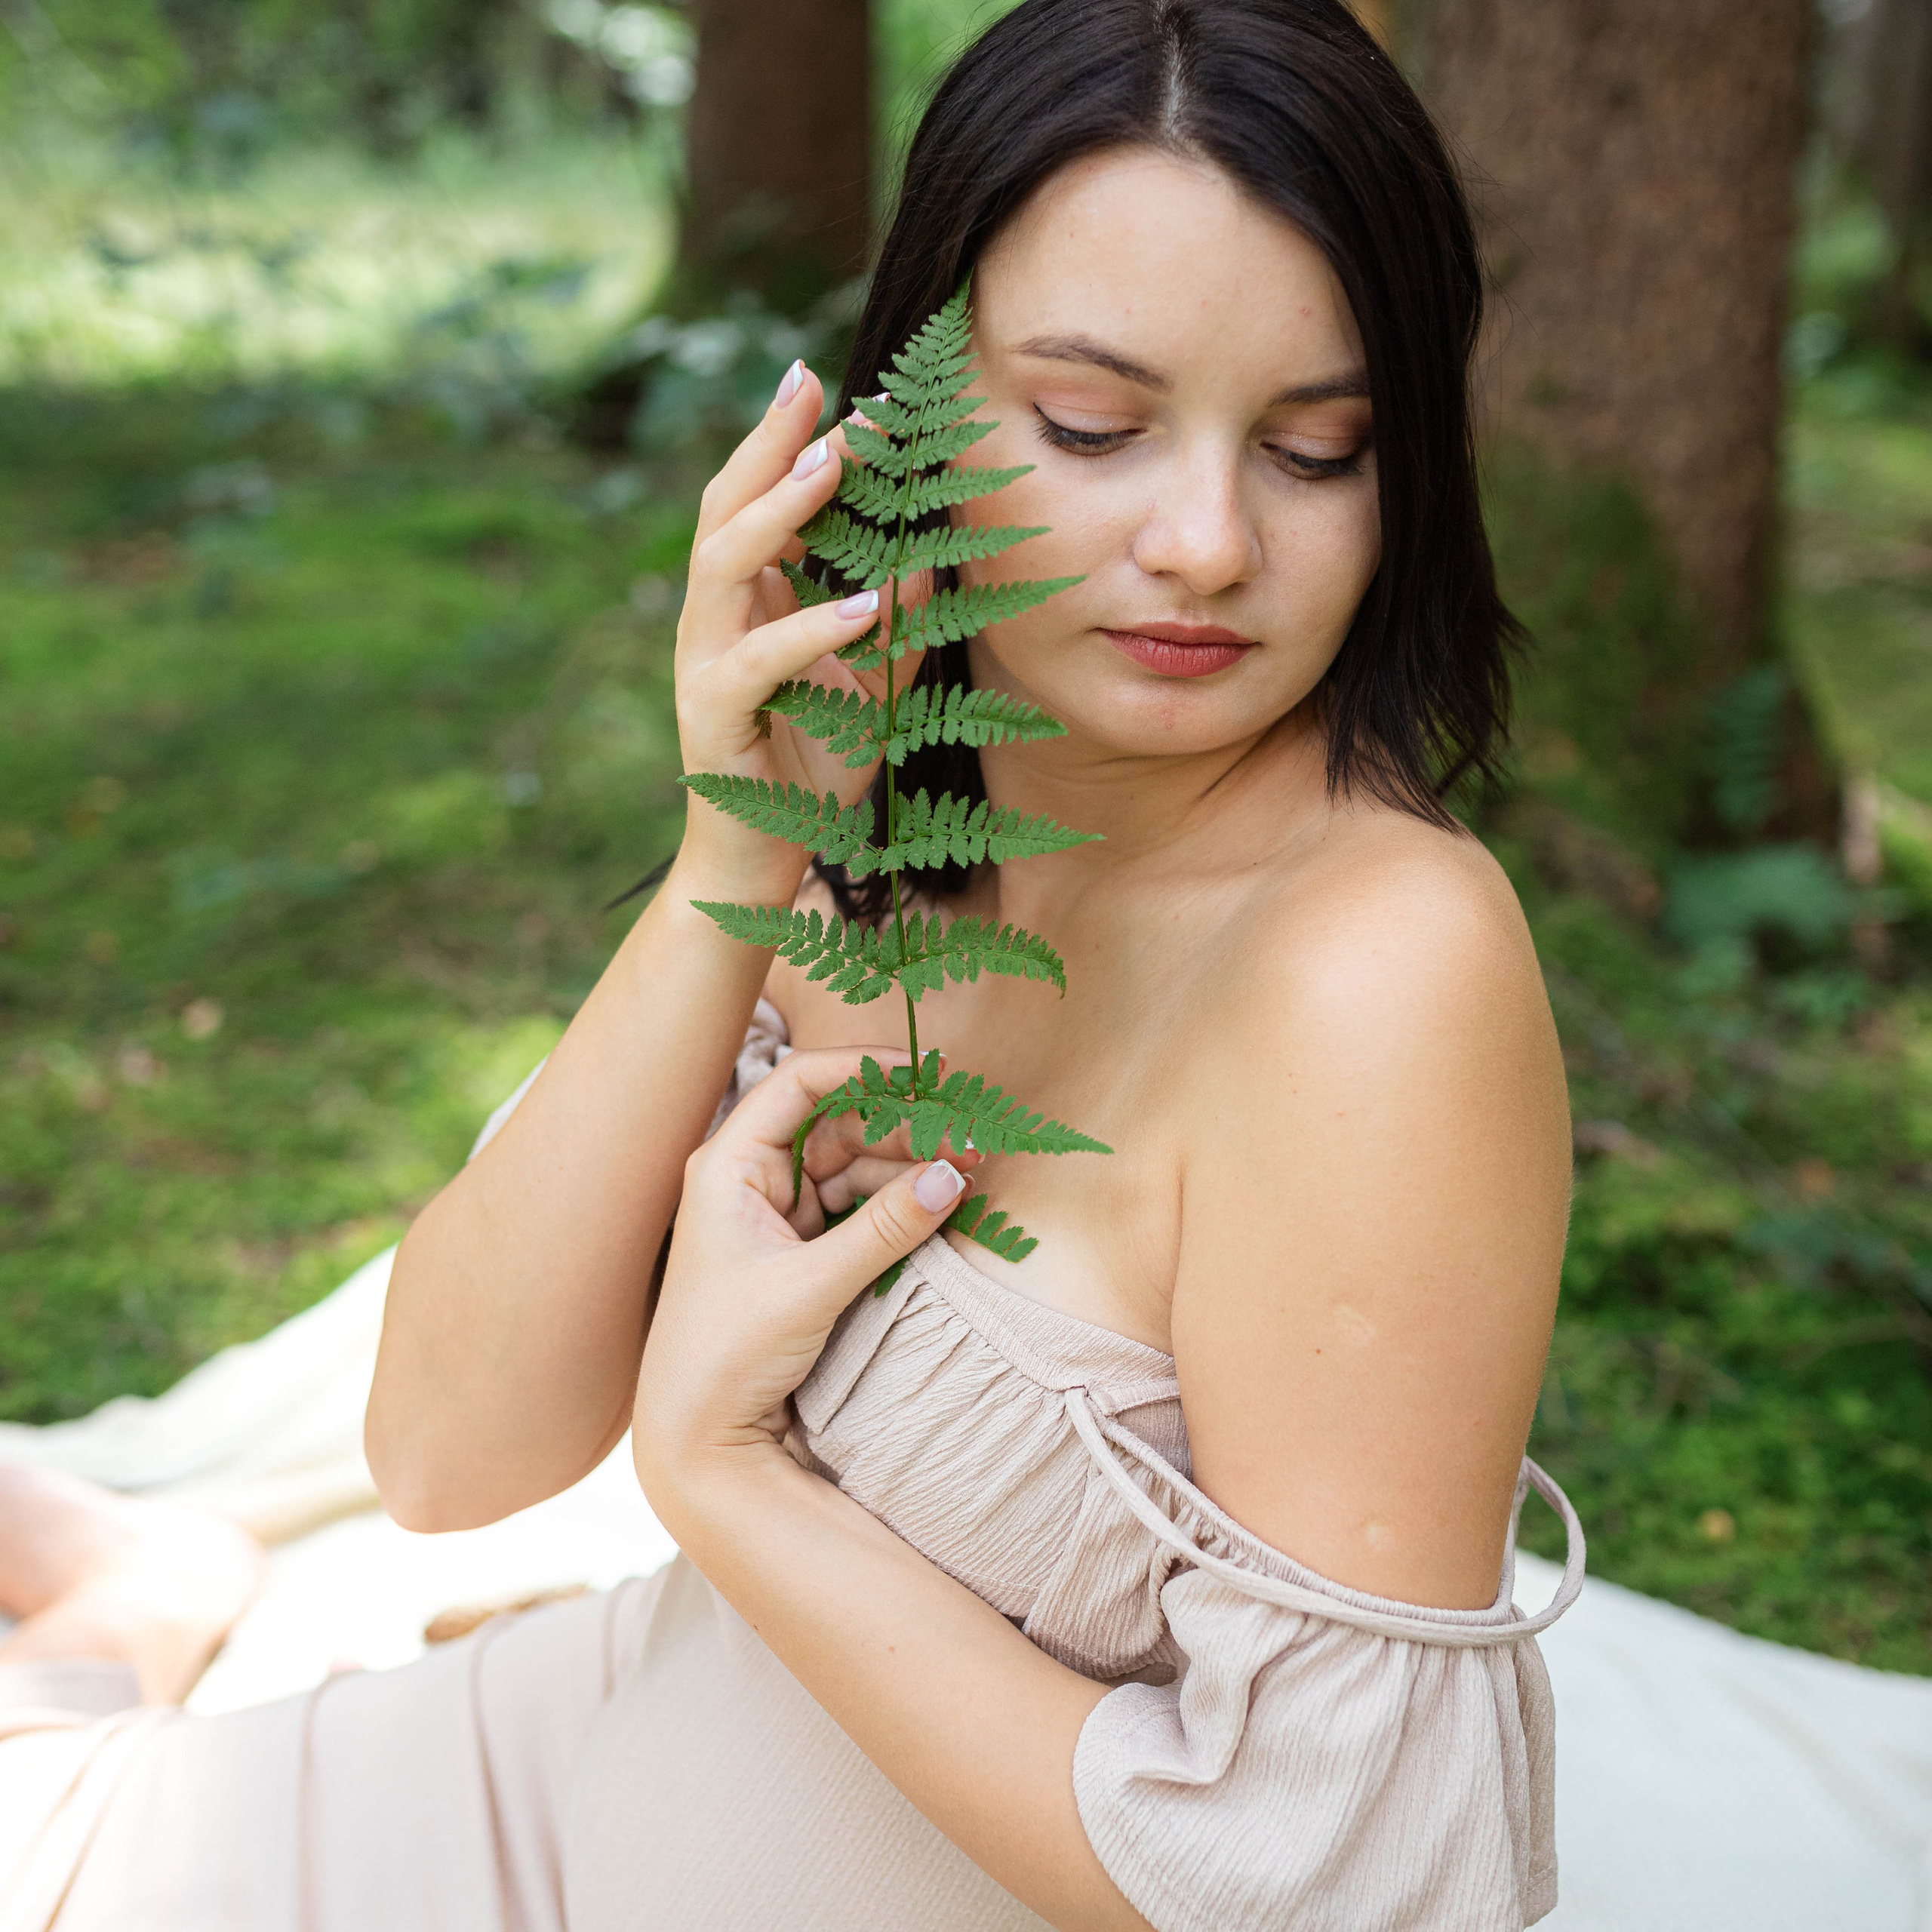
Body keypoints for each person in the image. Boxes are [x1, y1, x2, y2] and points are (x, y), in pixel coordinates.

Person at [0, 2, 1585, 1926]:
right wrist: (726, 855)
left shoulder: (1374, 969)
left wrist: (718, 1470)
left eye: (1316, 449)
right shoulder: (866, 815)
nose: (1203, 542)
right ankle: (129, 1610)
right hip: (503, 1781)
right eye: (1090, 425)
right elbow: (443, 1444)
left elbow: (1325, 1888)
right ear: (901, 409)